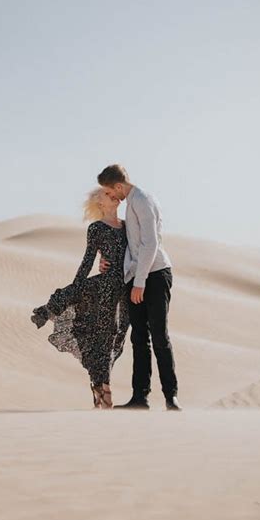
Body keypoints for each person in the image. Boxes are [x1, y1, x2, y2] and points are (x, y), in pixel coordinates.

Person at [30, 188, 130, 409]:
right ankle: (105, 390)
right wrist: (76, 288)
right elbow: (87, 260)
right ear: (100, 203)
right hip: (104, 288)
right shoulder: (96, 228)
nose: (111, 195)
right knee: (103, 335)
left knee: (117, 337)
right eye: (105, 194)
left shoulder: (129, 227)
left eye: (112, 192)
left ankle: (97, 384)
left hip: (126, 290)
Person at [97, 164, 182, 411]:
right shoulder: (133, 202)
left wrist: (140, 282)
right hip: (138, 277)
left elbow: (150, 244)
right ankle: (140, 397)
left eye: (111, 192)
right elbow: (130, 244)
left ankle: (171, 396)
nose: (112, 196)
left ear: (119, 186)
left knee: (159, 337)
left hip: (154, 276)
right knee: (139, 339)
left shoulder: (142, 200)